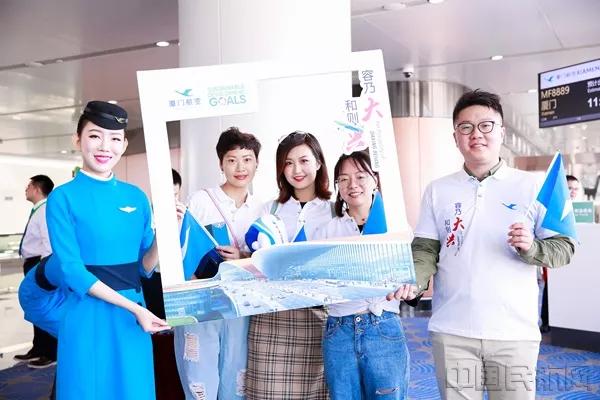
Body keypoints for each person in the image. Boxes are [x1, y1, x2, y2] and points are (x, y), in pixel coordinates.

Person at [394, 90, 575, 400]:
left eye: (486, 125)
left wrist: (532, 248)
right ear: (455, 137)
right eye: (466, 127)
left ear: (502, 132)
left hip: (513, 333)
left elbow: (564, 247)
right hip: (452, 331)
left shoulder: (533, 186)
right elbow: (424, 249)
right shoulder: (438, 190)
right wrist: (414, 281)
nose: (476, 134)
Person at [45, 101, 170, 399]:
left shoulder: (136, 197)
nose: (105, 146)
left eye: (115, 139)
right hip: (89, 315)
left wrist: (166, 234)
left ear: (124, 145)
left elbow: (143, 268)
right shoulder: (62, 198)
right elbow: (73, 272)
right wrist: (136, 309)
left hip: (131, 320)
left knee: (134, 391)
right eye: (94, 136)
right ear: (77, 139)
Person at [315, 150, 414, 400]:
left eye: (360, 176)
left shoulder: (395, 227)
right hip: (339, 330)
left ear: (375, 180)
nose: (352, 184)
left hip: (383, 327)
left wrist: (410, 288)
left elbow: (414, 278)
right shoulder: (327, 232)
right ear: (338, 187)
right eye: (344, 179)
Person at [174, 127, 263, 400]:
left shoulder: (261, 208)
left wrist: (243, 257)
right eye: (232, 160)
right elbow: (183, 249)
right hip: (202, 302)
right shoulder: (201, 200)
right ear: (221, 164)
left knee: (236, 381)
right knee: (199, 381)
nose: (240, 167)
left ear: (256, 163)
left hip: (241, 305)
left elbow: (267, 261)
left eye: (247, 159)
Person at [245, 131, 333, 400]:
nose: (296, 170)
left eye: (304, 161)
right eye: (288, 163)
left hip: (317, 316)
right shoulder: (269, 209)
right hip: (271, 318)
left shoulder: (334, 209)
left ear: (318, 162)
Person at [14, 175, 57, 369]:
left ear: (37, 189)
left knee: (44, 308)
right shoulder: (38, 210)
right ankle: (38, 348)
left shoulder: (46, 210)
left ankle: (50, 352)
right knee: (35, 307)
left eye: (29, 186)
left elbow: (49, 243)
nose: (26, 189)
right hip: (33, 264)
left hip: (39, 265)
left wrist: (43, 270)